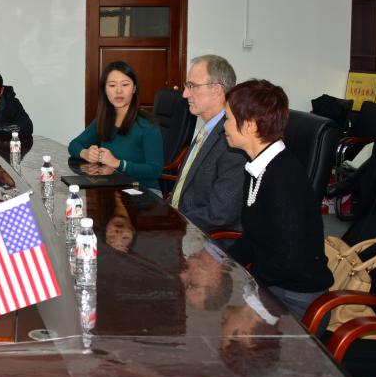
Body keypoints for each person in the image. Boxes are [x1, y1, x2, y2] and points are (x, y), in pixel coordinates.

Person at [222, 79, 332, 320]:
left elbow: (289, 260)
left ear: (250, 125)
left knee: (221, 325)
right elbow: (255, 237)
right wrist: (222, 263)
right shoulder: (258, 167)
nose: (224, 126)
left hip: (296, 298)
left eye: (228, 118)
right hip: (272, 285)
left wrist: (248, 287)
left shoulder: (283, 177)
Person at [170, 55, 248, 232]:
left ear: (217, 89)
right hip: (182, 222)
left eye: (192, 86)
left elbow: (220, 214)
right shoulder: (207, 129)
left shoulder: (233, 140)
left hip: (205, 238)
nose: (185, 94)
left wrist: (172, 222)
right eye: (186, 86)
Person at [68, 61, 162, 191]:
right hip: (112, 187)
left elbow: (155, 170)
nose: (118, 91)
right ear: (105, 90)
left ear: (134, 88)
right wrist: (86, 153)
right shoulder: (104, 120)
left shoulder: (147, 126)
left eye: (125, 84)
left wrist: (118, 164)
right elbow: (74, 145)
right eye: (112, 85)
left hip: (144, 191)